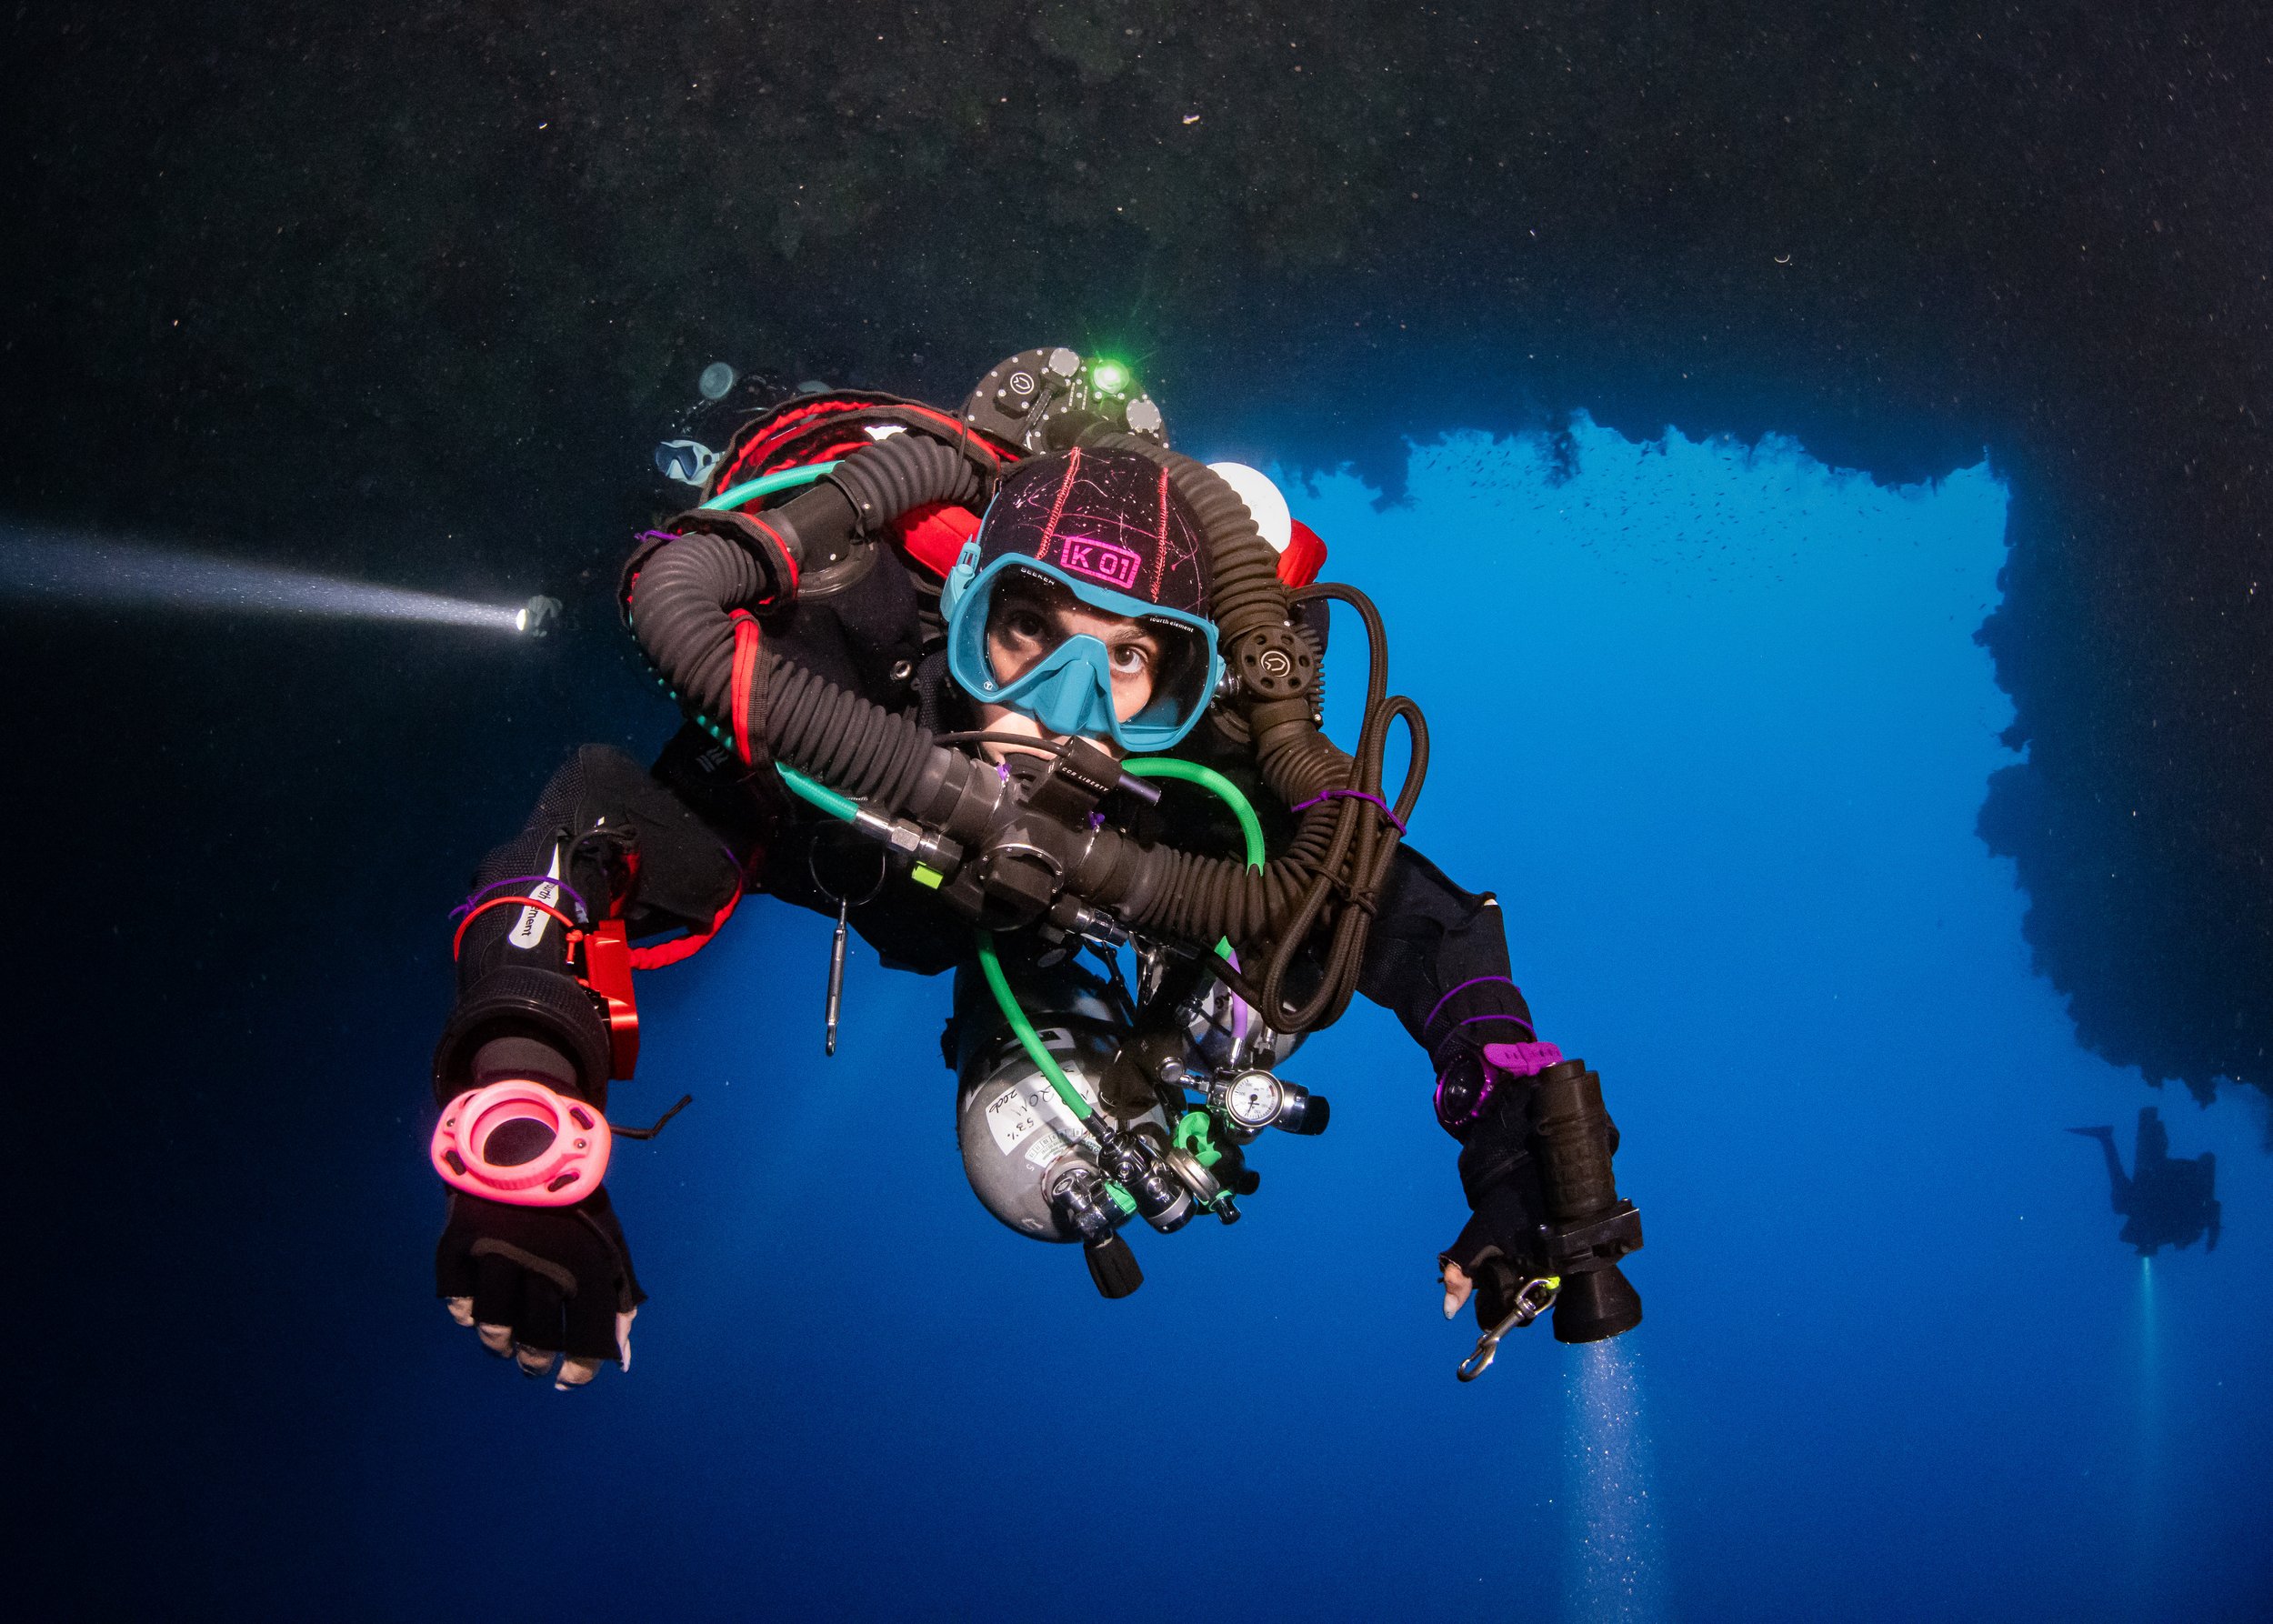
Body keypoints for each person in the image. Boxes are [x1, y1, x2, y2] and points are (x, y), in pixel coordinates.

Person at [428, 350, 1642, 1388]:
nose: (1059, 712)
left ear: (1186, 687)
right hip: (894, 818)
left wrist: (1511, 1131)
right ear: (960, 607)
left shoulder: (1195, 780)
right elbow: (593, 833)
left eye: (1123, 665)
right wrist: (526, 1108)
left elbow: (1425, 929)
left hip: (1067, 917)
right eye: (1027, 630)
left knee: (1233, 985)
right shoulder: (845, 680)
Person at [2068, 1107, 2219, 1257]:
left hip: (2152, 1184)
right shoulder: (2190, 1222)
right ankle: (2117, 1135)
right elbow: (2208, 1162)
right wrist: (2213, 1235)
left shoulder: (2168, 1225)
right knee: (2132, 1193)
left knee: (2124, 1202)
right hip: (2160, 1179)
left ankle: (2108, 1137)